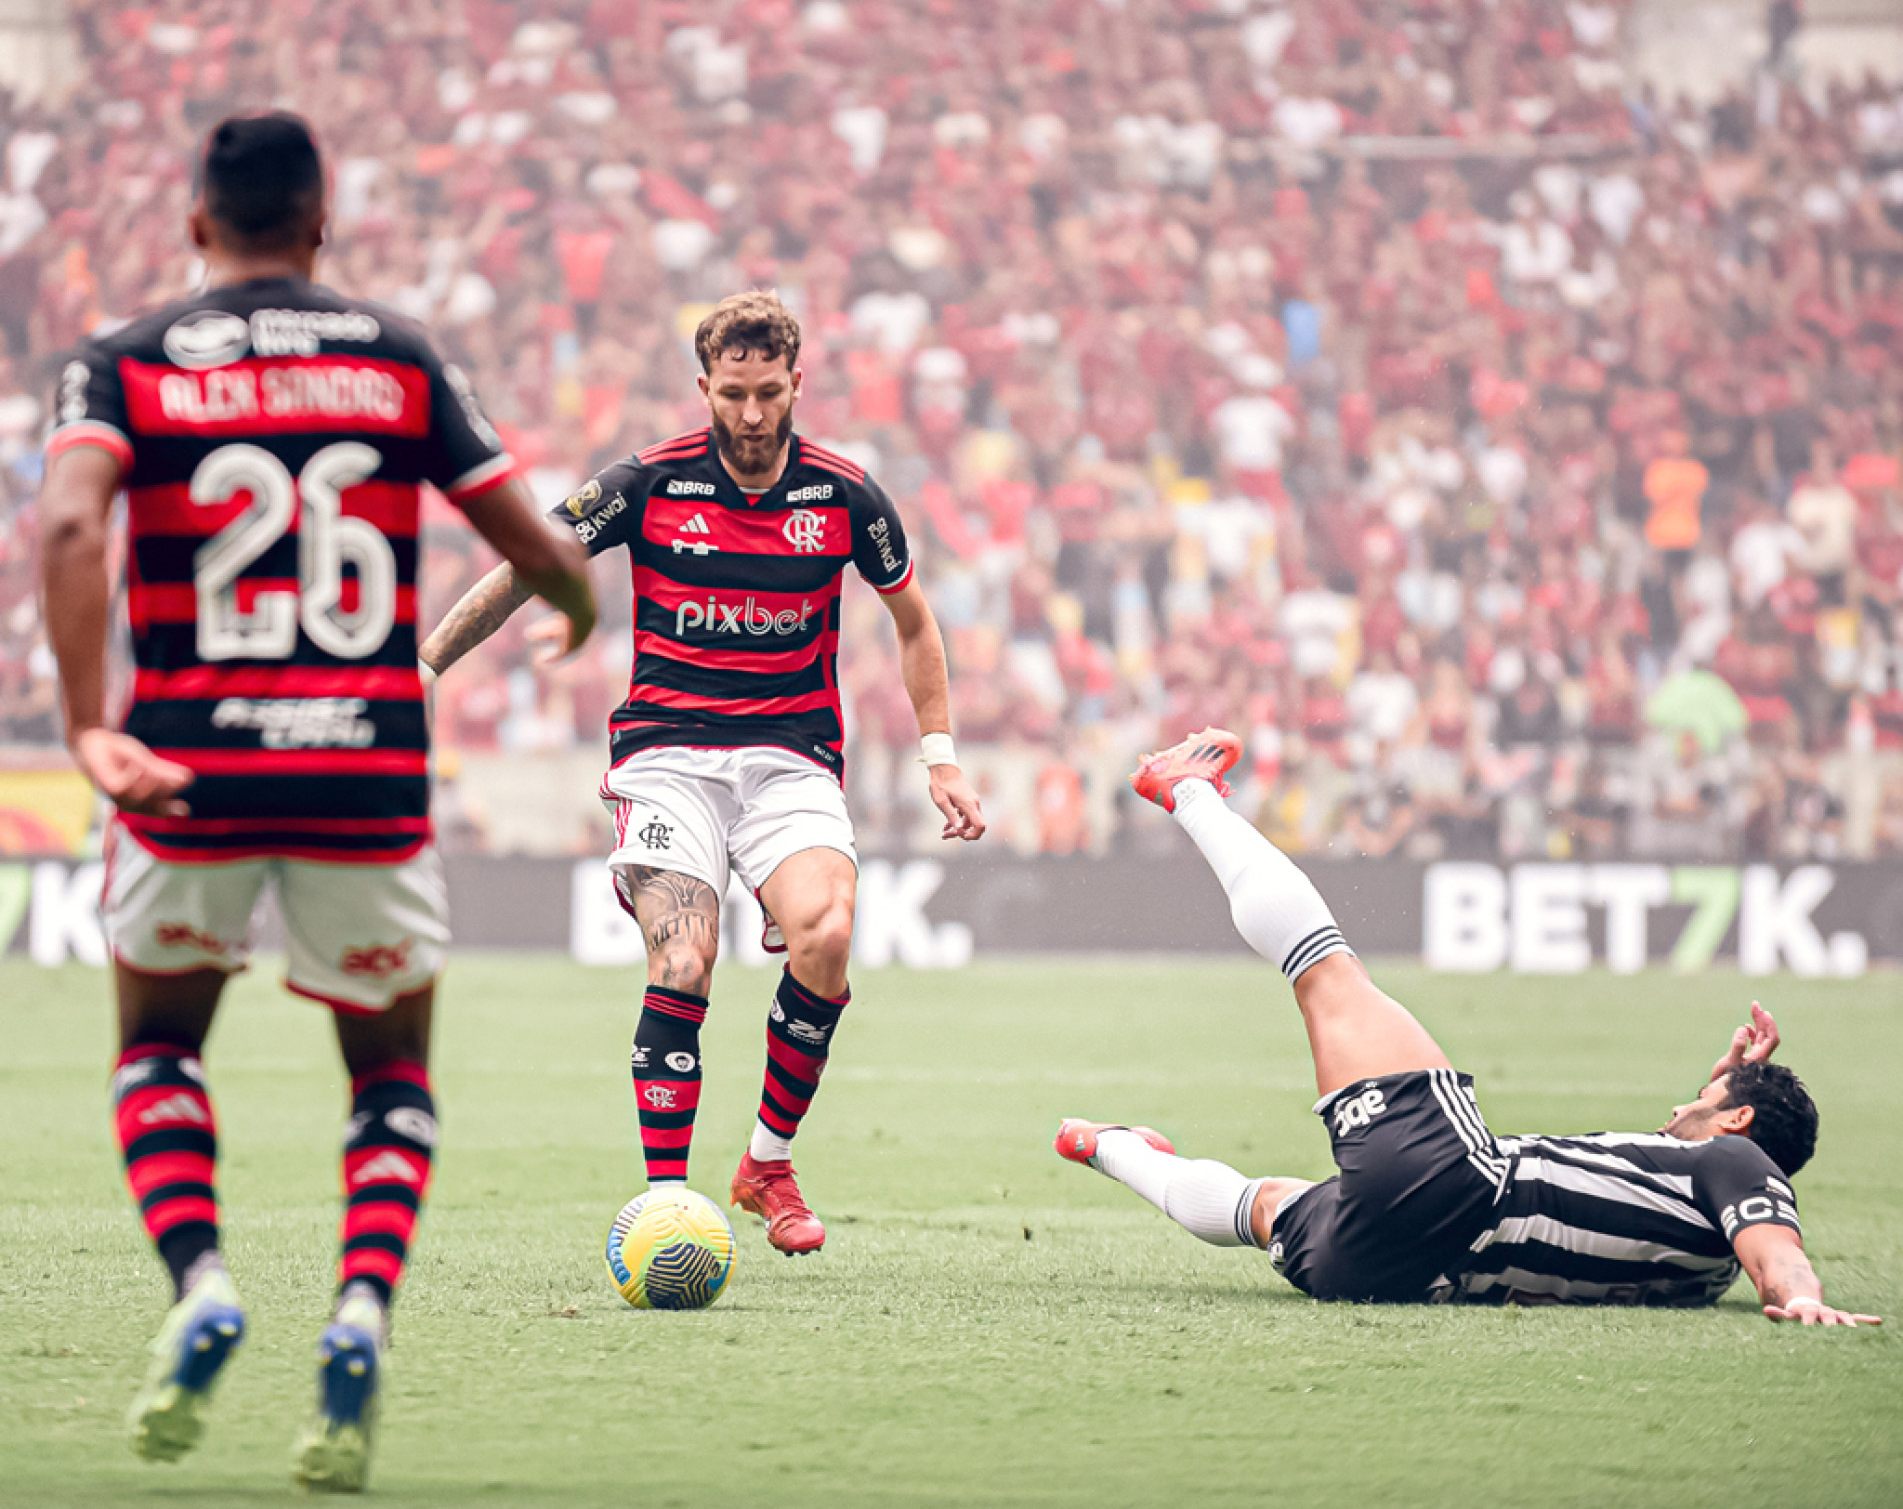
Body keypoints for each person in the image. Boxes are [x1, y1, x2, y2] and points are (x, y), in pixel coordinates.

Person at [36, 112, 597, 1490]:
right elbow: (528, 540)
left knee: (159, 1048)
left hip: (187, 769)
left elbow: (67, 525)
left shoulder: (120, 362)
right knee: (389, 1072)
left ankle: (202, 1282)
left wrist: (88, 727)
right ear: (321, 221)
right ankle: (357, 1314)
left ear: (196, 222)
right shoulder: (397, 355)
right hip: (362, 770)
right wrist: (576, 605)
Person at [420, 290, 985, 1254]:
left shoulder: (845, 497)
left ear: (797, 383)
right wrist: (425, 669)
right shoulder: (647, 482)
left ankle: (766, 1166)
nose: (752, 414)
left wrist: (940, 754)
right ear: (704, 388)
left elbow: (914, 622)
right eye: (733, 394)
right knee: (684, 958)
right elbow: (523, 563)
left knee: (828, 935)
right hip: (666, 758)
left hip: (791, 760)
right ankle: (668, 1208)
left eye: (769, 393)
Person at [1055, 727, 1880, 1325]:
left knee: (1325, 972)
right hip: (1398, 1269)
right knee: (1265, 1203)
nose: (1680, 1106)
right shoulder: (1700, 1272)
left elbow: (1775, 1247)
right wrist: (1730, 1084)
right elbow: (1688, 1186)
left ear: (1737, 1125)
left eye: (1703, 1099)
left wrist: (1800, 1296)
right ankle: (1106, 1147)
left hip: (1456, 1189)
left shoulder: (1734, 1164)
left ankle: (1184, 789)